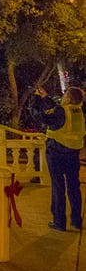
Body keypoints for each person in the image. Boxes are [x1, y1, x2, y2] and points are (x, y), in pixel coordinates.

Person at [30, 86, 85, 231]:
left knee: (58, 187)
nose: (64, 96)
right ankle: (76, 221)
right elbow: (58, 113)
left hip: (57, 152)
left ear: (68, 98)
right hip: (73, 153)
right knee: (74, 187)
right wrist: (45, 97)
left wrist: (34, 102)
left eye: (65, 94)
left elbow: (42, 117)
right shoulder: (78, 112)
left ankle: (59, 222)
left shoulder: (62, 111)